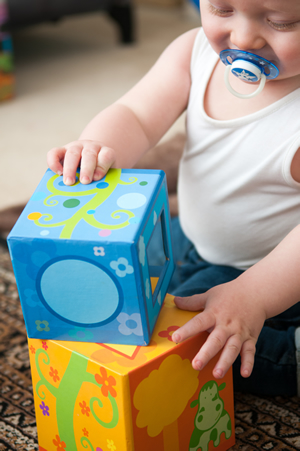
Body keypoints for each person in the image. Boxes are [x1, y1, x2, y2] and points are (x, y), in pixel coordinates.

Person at [47, 0, 300, 396]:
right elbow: (136, 113)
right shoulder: (194, 51)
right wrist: (98, 146)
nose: (243, 37)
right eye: (221, 9)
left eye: (281, 22)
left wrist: (254, 295)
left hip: (278, 277)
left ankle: (290, 358)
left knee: (189, 343)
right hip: (200, 240)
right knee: (134, 291)